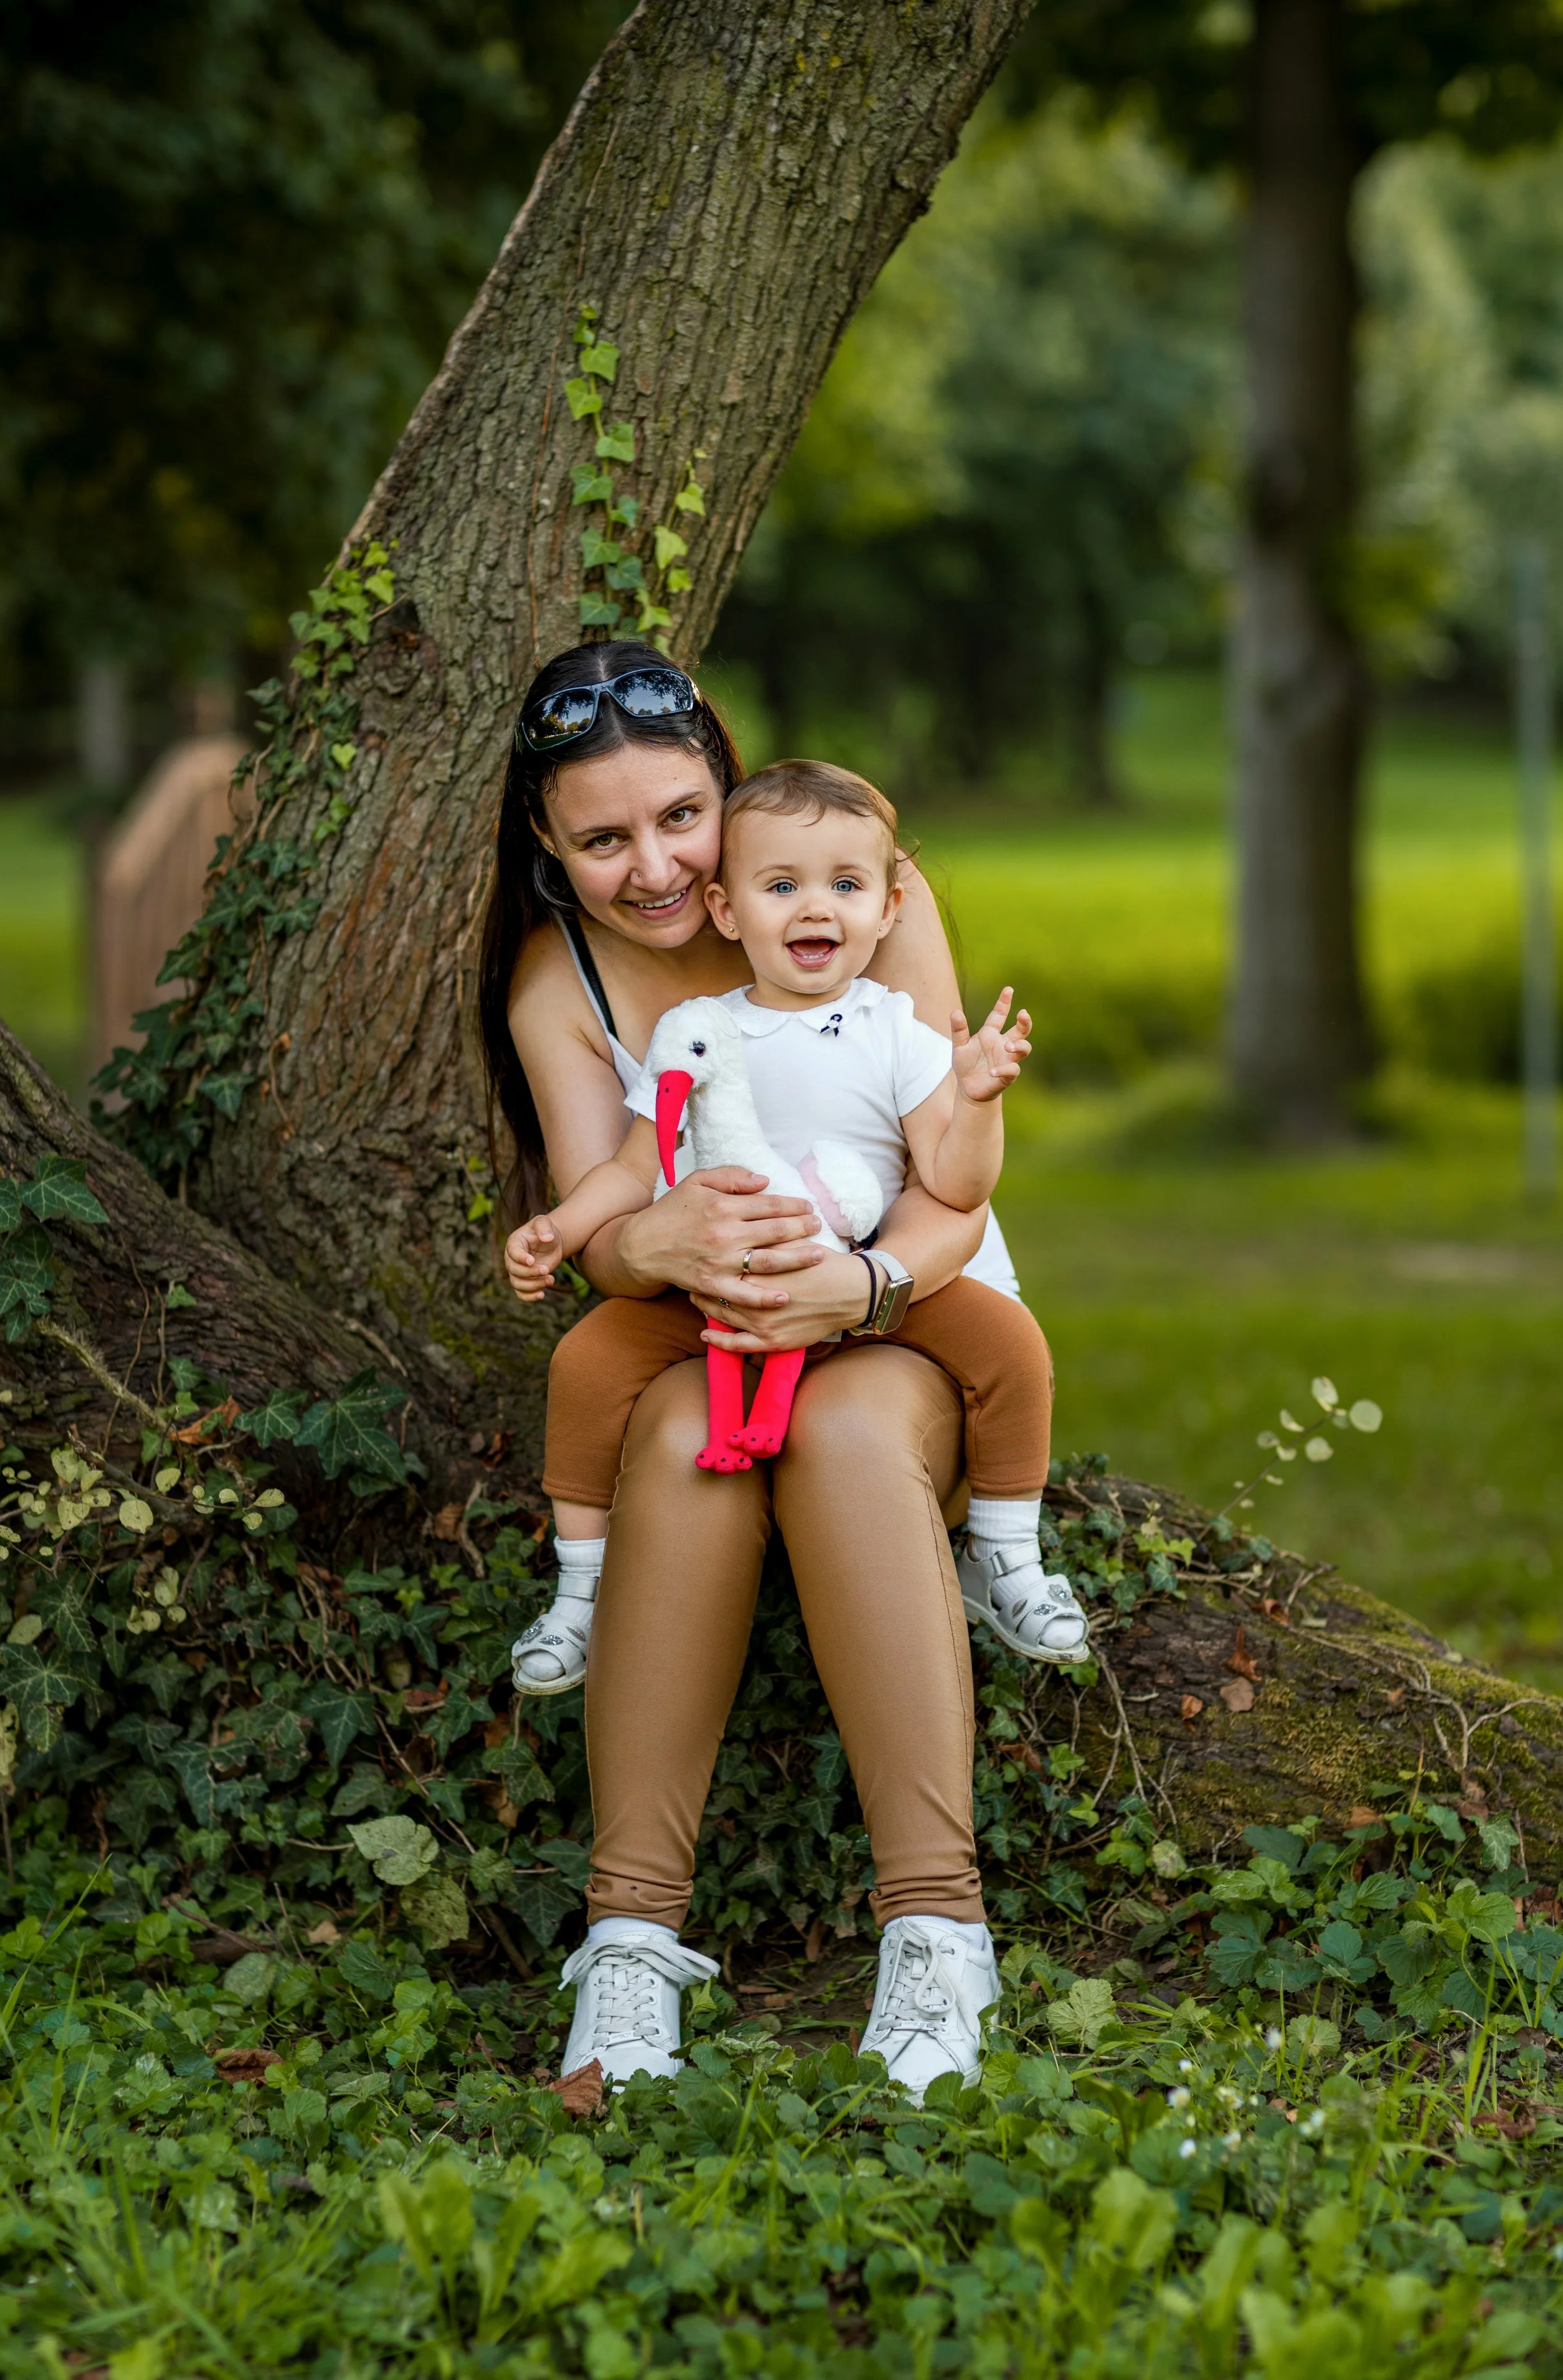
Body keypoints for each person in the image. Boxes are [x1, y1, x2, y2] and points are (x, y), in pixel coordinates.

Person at [478, 641, 1058, 2096]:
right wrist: (653, 1235)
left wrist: (854, 1288)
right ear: (544, 845)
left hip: (898, 1306)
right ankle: (627, 1944)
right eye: (603, 839)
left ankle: (935, 1929)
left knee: (851, 1439)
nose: (658, 868)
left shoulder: (861, 892)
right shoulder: (561, 982)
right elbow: (604, 1233)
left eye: (681, 815)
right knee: (676, 1448)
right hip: (705, 1325)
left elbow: (948, 1182)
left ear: (726, 791)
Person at [502, 758, 1088, 1695]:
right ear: (728, 911)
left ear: (890, 908)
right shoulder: (698, 1028)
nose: (816, 908)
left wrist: (978, 1102)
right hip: (720, 1289)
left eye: (846, 887)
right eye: (783, 887)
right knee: (585, 1365)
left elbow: (954, 1183)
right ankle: (583, 1587)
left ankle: (1008, 1557)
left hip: (866, 1284)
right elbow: (632, 1163)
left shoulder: (894, 1029)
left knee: (1011, 1342)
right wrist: (561, 1228)